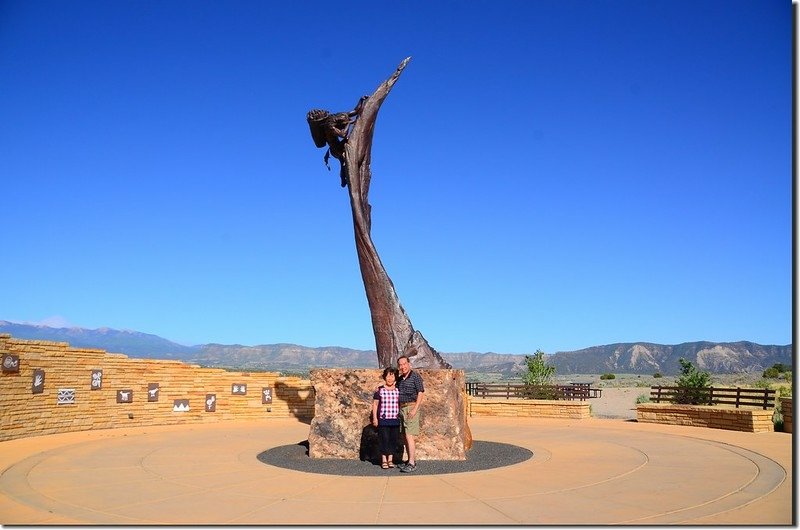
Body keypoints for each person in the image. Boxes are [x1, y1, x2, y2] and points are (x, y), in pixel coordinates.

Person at [396, 355, 424, 473]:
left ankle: (412, 463)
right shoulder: (400, 379)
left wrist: (415, 409)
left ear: (409, 364)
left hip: (411, 407)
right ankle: (409, 461)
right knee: (404, 436)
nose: (402, 367)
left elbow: (421, 392)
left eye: (404, 364)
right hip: (402, 409)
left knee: (409, 436)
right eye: (400, 365)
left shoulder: (415, 376)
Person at [372, 367, 401, 469]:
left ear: (395, 377)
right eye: (388, 376)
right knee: (384, 439)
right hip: (383, 419)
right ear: (385, 377)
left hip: (395, 419)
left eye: (392, 376)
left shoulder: (398, 390)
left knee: (393, 440)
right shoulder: (379, 390)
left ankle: (390, 460)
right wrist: (375, 418)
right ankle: (384, 459)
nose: (390, 378)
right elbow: (375, 404)